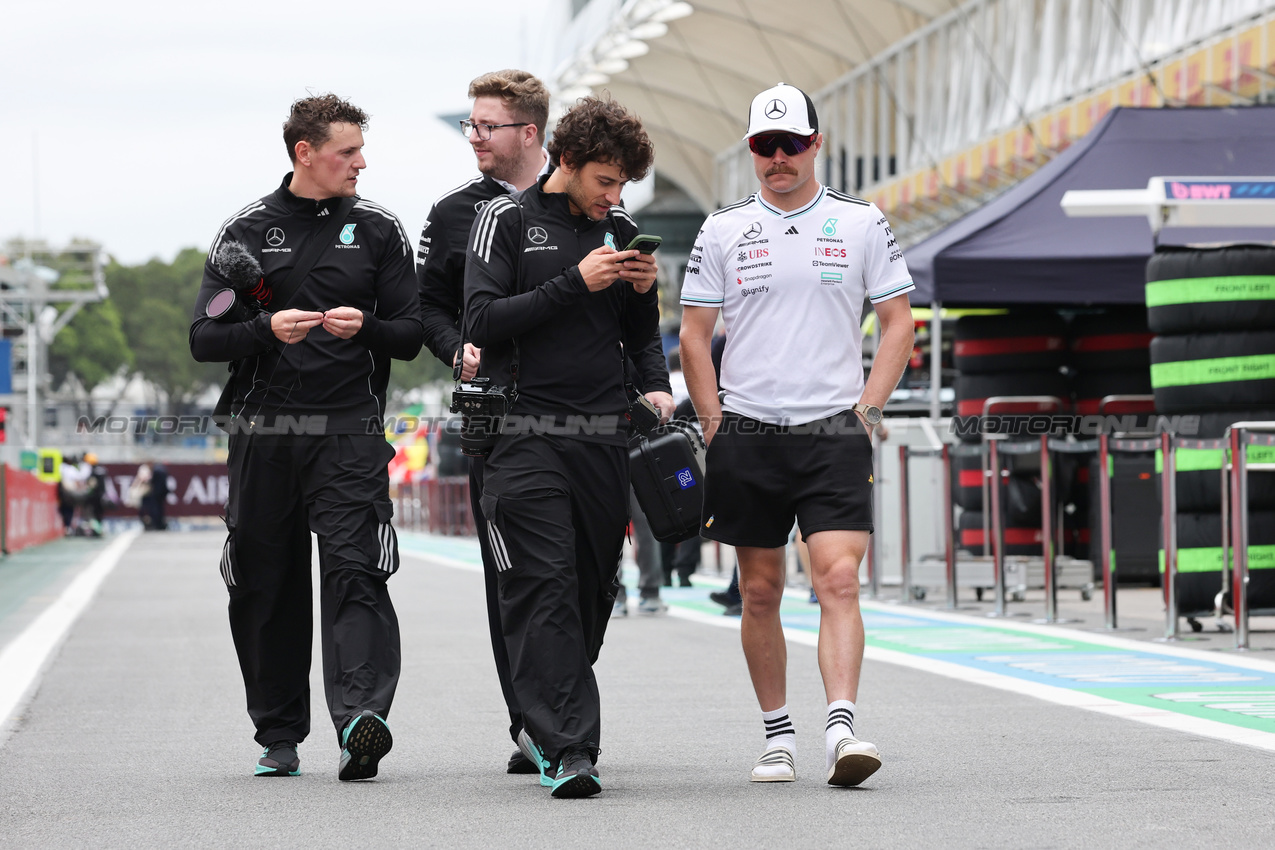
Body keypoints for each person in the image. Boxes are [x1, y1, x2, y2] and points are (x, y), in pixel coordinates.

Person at [679, 83, 915, 787]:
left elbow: (899, 320)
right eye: (763, 146)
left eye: (790, 144)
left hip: (832, 430)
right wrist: (715, 420)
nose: (777, 158)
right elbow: (694, 336)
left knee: (838, 579)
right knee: (759, 590)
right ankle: (775, 734)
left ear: (816, 144)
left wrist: (867, 412)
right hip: (747, 431)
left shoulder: (861, 221)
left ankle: (841, 728)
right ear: (750, 151)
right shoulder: (721, 228)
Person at [190, 93, 421, 781]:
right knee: (265, 582)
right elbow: (204, 338)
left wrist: (368, 328)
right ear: (304, 153)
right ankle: (279, 733)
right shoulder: (243, 232)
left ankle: (360, 721)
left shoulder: (379, 230)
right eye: (347, 153)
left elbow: (410, 334)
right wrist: (266, 329)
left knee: (357, 571)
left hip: (349, 429)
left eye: (360, 151)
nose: (360, 164)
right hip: (265, 432)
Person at [464, 95, 671, 798]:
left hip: (603, 439)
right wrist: (572, 282)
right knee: (543, 585)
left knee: (590, 592)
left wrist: (658, 385)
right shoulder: (505, 220)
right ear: (567, 160)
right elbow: (483, 320)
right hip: (521, 436)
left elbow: (641, 337)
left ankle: (541, 714)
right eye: (604, 181)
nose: (613, 198)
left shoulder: (620, 229)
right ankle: (569, 748)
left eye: (622, 187)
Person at [415, 69, 553, 777]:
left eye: (485, 125)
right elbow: (424, 309)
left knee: (587, 577)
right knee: (512, 574)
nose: (473, 136)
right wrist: (454, 349)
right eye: (470, 124)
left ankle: (558, 699)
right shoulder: (449, 214)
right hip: (493, 417)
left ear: (528, 132)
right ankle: (534, 722)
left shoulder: (582, 199)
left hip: (581, 421)